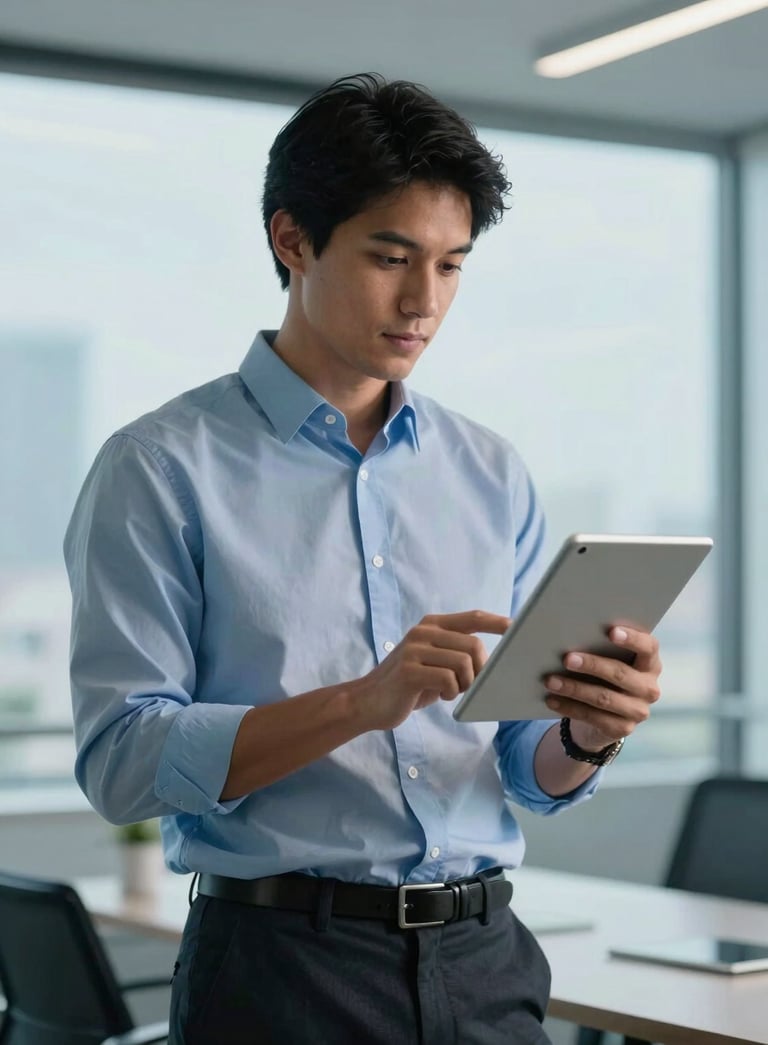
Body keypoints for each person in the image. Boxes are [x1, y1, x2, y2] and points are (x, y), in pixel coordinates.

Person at [64, 73, 662, 1045]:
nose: (425, 300)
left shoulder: (490, 473)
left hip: (488, 963)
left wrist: (587, 734)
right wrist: (360, 702)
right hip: (281, 972)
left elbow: (518, 762)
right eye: (392, 257)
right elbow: (121, 764)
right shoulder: (160, 468)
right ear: (292, 239)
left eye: (453, 264)